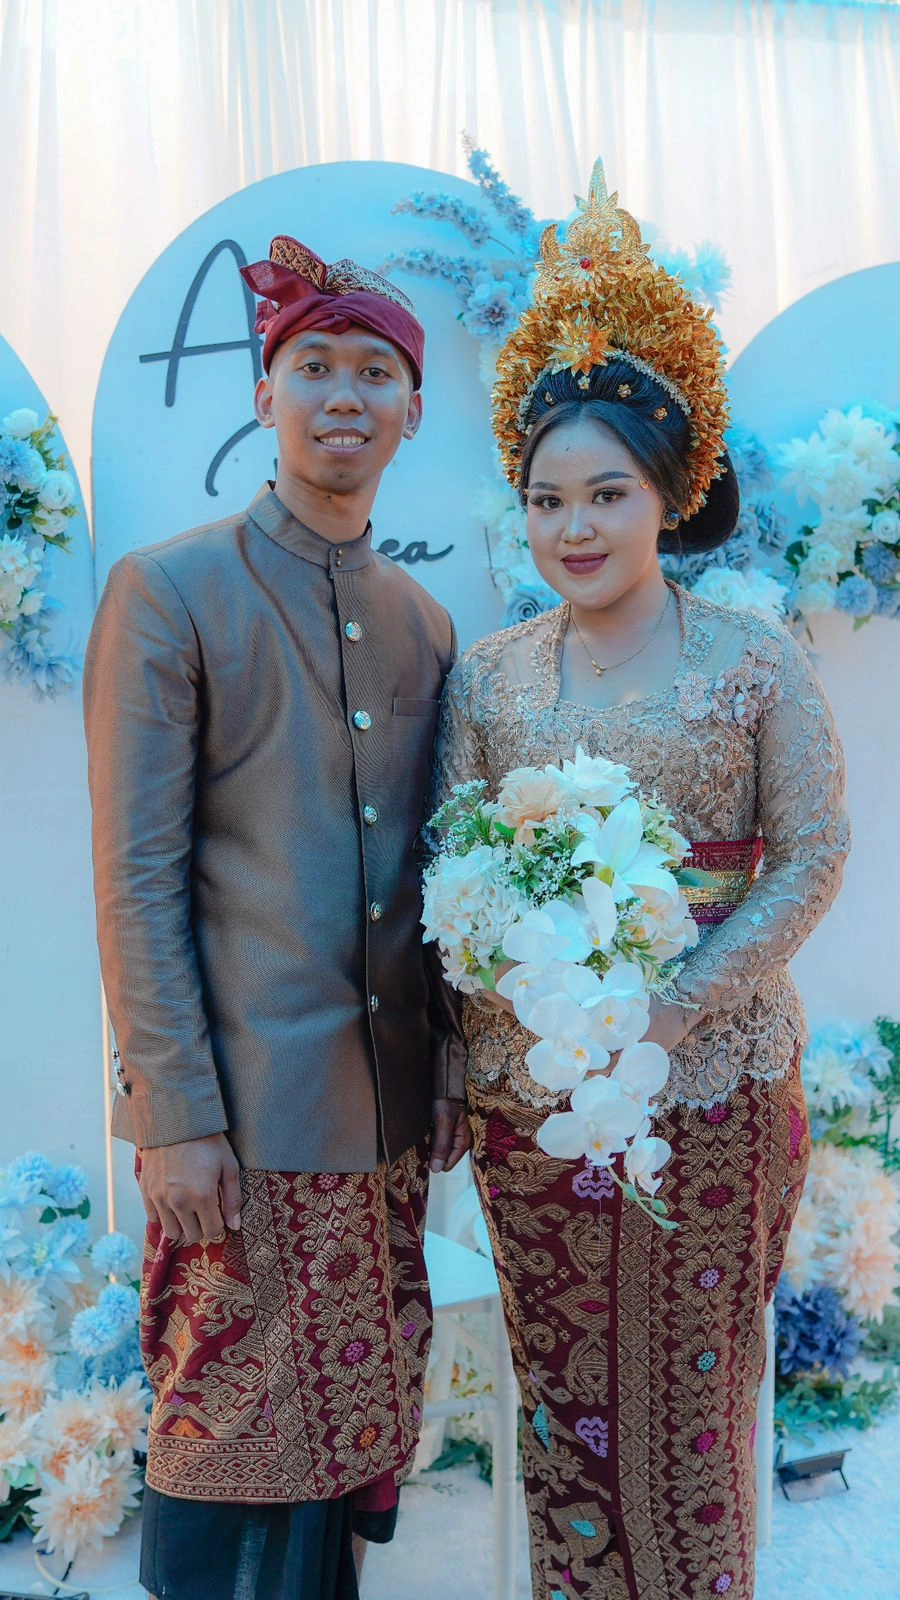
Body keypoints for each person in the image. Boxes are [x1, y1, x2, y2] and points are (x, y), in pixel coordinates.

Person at [432, 165, 850, 1600]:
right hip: (532, 1098)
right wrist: (495, 995)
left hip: (715, 1088)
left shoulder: (753, 658)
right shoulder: (490, 676)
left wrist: (684, 999)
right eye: (547, 499)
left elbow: (813, 853)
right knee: (569, 1413)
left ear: (670, 494)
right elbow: (455, 866)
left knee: (692, 1405)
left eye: (606, 493)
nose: (576, 527)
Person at [83, 234, 470, 1600]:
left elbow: (438, 872)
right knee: (228, 1454)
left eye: (374, 371)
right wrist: (172, 1114)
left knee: (350, 1454)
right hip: (241, 1122)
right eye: (314, 366)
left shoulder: (424, 623)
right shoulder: (171, 590)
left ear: (413, 410)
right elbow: (135, 875)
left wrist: (447, 1068)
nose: (343, 395)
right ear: (266, 394)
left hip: (387, 1125)